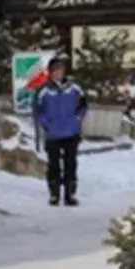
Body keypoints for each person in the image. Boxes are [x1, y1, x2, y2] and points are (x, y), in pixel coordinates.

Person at [31, 57, 86, 207]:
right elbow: (37, 109)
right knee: (53, 165)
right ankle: (54, 194)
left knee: (71, 164)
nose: (59, 73)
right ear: (50, 72)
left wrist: (78, 118)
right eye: (55, 70)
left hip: (71, 132)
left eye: (61, 70)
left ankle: (70, 194)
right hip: (53, 133)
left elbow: (83, 105)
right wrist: (45, 124)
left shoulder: (74, 87)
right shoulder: (43, 90)